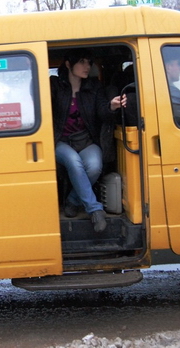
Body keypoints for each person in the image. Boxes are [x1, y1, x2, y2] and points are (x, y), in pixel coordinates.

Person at [51, 48, 126, 232]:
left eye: (89, 63)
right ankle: (95, 210)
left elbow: (102, 111)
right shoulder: (55, 85)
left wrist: (112, 106)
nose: (87, 67)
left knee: (94, 166)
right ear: (69, 64)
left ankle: (72, 200)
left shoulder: (94, 87)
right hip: (61, 141)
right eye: (82, 62)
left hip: (86, 140)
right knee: (74, 162)